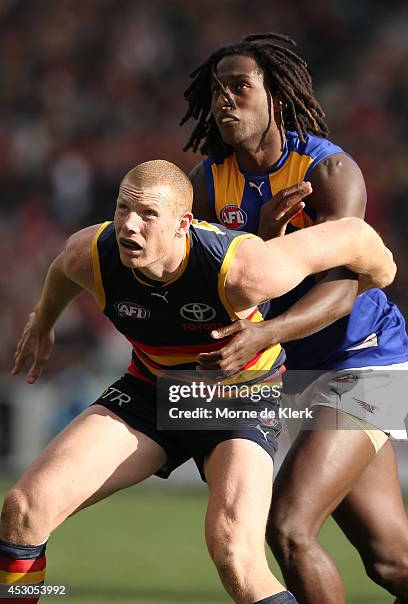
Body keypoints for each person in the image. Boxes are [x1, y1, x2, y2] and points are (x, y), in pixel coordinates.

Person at [1, 159, 395, 604]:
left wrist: (381, 279)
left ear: (182, 225)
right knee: (22, 510)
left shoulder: (243, 269)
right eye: (122, 209)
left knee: (239, 556)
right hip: (152, 390)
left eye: (148, 214)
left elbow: (357, 238)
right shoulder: (92, 252)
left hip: (239, 401)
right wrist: (43, 322)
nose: (129, 226)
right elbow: (61, 272)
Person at [181, 33, 408, 603]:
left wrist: (266, 331)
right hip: (299, 370)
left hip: (367, 358)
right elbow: (221, 290)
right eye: (217, 90)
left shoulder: (328, 172)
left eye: (240, 87)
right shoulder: (209, 185)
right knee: (390, 561)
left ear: (275, 98)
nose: (225, 100)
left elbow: (342, 292)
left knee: (288, 528)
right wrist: (260, 243)